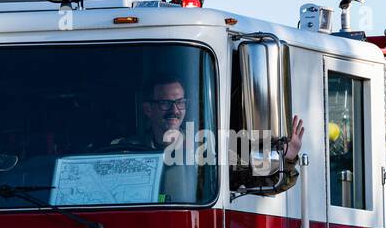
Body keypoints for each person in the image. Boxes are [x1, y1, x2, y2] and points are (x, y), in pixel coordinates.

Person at [119, 74, 305, 201]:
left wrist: (287, 158)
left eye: (180, 102)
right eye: (165, 103)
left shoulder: (209, 149)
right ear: (147, 109)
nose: (175, 111)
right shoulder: (125, 151)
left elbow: (261, 181)